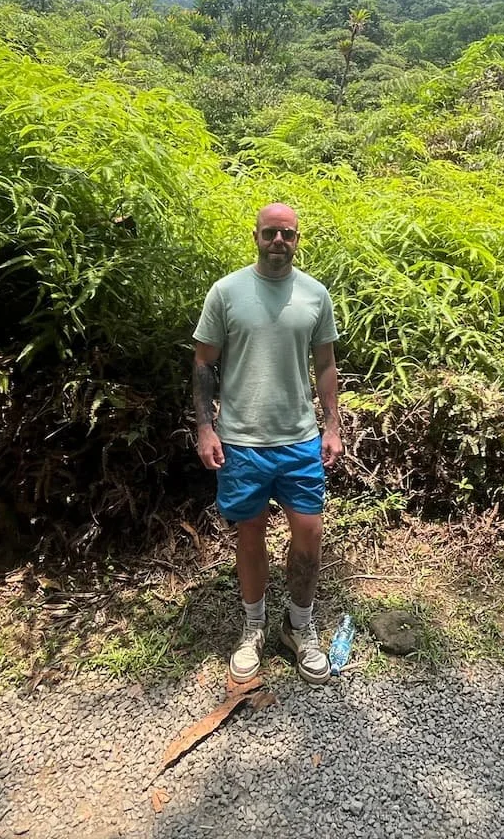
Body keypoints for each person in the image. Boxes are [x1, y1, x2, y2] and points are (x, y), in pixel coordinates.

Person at [192, 203, 342, 685]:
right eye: (271, 233)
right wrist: (205, 428)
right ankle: (253, 627)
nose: (279, 241)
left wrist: (333, 426)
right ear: (256, 236)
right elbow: (203, 363)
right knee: (250, 534)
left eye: (288, 234)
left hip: (299, 439)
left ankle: (298, 626)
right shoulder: (227, 292)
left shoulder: (315, 294)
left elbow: (325, 364)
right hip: (241, 441)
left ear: (297, 239)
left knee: (310, 533)